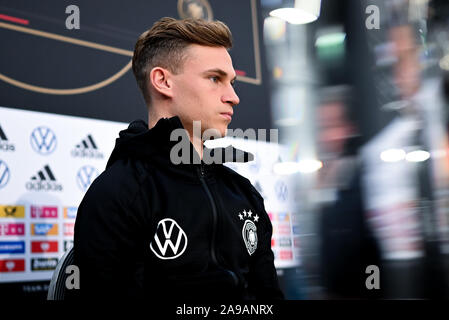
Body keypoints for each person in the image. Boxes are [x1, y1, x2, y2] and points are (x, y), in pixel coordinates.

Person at [72, 17, 283, 301]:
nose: (233, 97)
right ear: (163, 81)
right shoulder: (117, 194)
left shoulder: (244, 194)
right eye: (214, 79)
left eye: (231, 82)